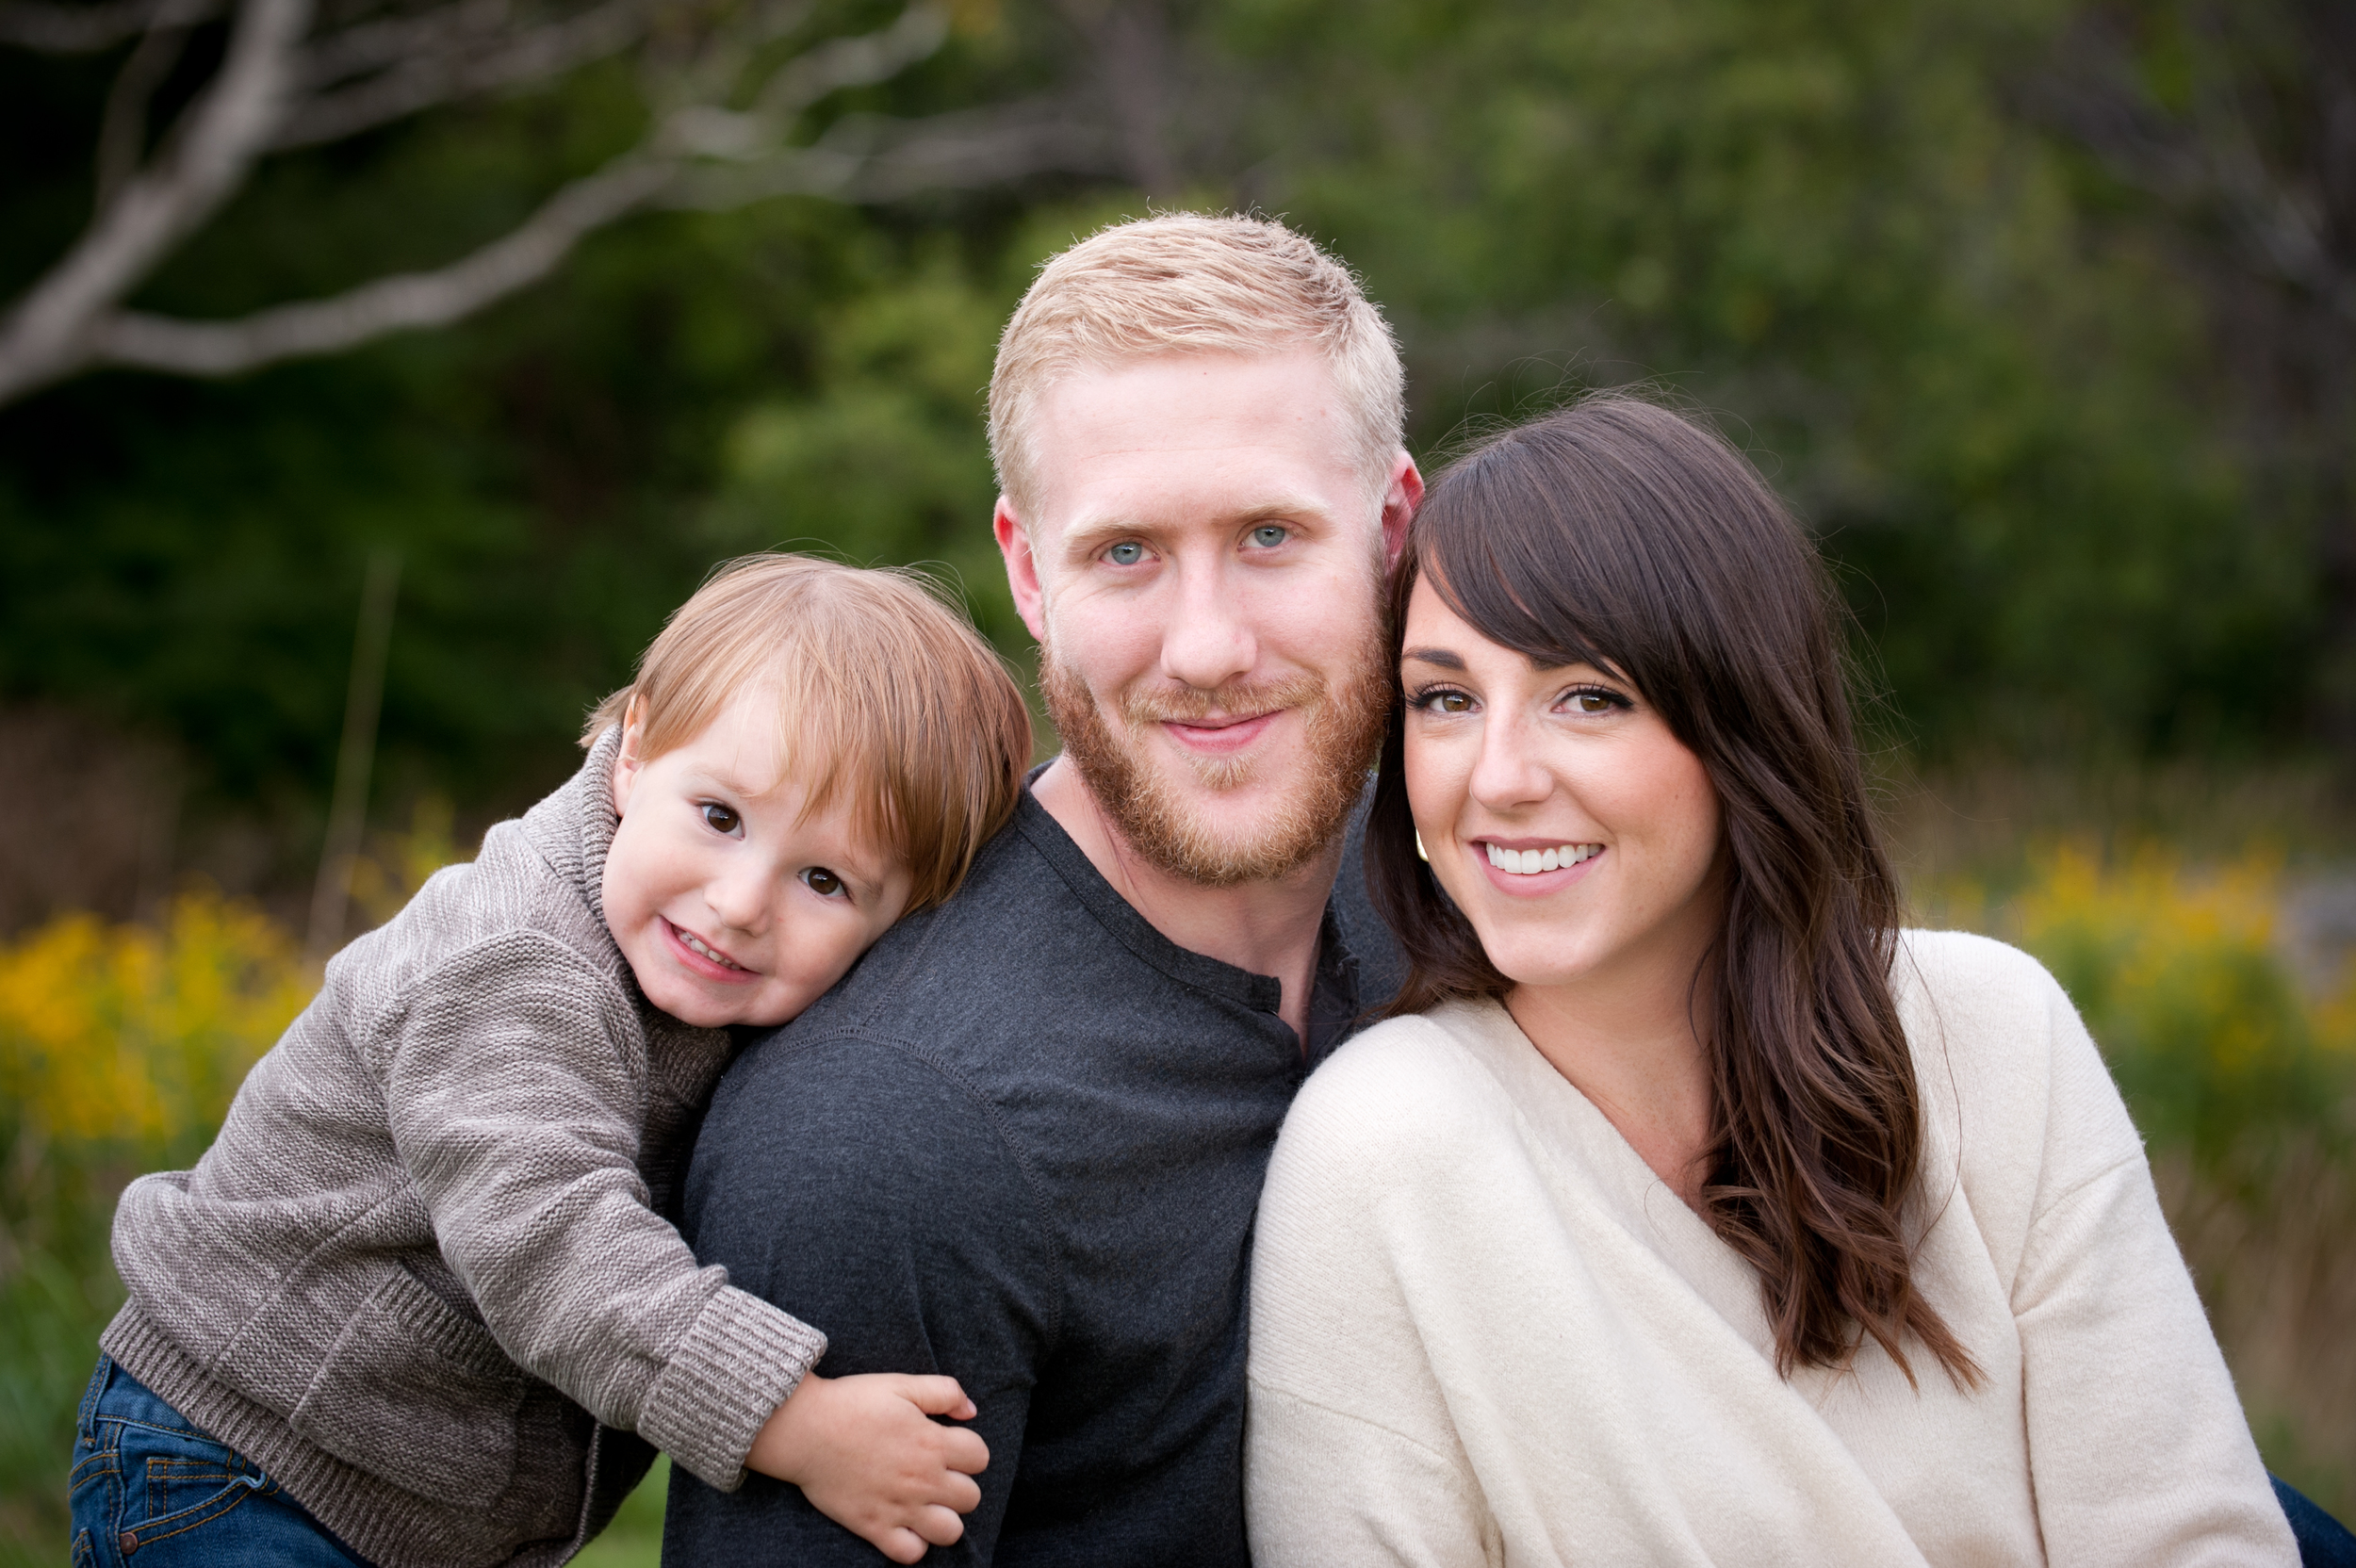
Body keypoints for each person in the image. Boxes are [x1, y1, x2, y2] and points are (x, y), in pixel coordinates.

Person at [1245, 397, 2305, 1566]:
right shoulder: (1381, 1150)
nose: (1495, 777)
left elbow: (2196, 1539)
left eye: (1587, 696)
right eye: (1444, 698)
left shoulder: (1994, 1036)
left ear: (1739, 722)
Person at [661, 213, 1419, 1564]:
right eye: (1126, 552)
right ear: (1025, 571)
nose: (1206, 647)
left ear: (1393, 528)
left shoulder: (1474, 904)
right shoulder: (889, 1134)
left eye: (1268, 534)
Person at [74, 555, 1029, 1568]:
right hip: (240, 1458)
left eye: (826, 878)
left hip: (391, 1499)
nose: (744, 900)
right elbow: (548, 1244)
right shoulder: (515, 960)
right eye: (720, 816)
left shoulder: (706, 978)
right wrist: (789, 1419)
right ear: (634, 753)